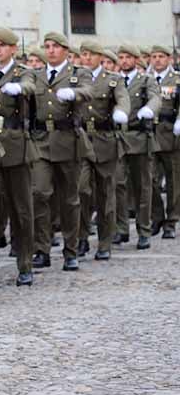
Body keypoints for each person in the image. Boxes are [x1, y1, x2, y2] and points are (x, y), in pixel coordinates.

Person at [30, 32, 94, 271]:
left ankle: (71, 250)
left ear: (66, 50)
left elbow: (89, 90)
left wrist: (74, 94)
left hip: (68, 142)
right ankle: (41, 249)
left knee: (70, 199)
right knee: (39, 193)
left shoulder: (78, 74)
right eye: (47, 47)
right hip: (41, 142)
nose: (51, 51)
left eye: (56, 46)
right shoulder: (35, 75)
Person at [0, 28, 38, 285]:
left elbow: (32, 85)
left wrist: (18, 89)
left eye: (1, 46)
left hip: (17, 148)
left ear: (12, 49)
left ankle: (25, 264)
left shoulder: (22, 72)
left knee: (22, 211)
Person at [75, 41, 128, 262]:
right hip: (81, 141)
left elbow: (123, 99)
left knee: (106, 194)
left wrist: (121, 112)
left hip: (104, 141)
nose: (86, 58)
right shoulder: (75, 77)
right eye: (83, 54)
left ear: (99, 56)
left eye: (90, 54)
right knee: (81, 190)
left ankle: (105, 242)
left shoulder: (112, 79)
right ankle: (81, 237)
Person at [115, 43, 160, 251]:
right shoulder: (114, 80)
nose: (124, 61)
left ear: (135, 60)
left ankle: (144, 230)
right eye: (121, 57)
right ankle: (121, 228)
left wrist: (149, 110)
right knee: (117, 184)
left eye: (127, 57)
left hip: (140, 137)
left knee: (142, 186)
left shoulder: (146, 80)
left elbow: (156, 98)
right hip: (118, 137)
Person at [147, 44, 180, 239]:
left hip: (171, 134)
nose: (157, 60)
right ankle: (157, 216)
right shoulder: (146, 79)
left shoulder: (176, 80)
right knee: (149, 179)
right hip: (150, 135)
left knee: (174, 180)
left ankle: (172, 220)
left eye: (161, 56)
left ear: (168, 59)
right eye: (154, 56)